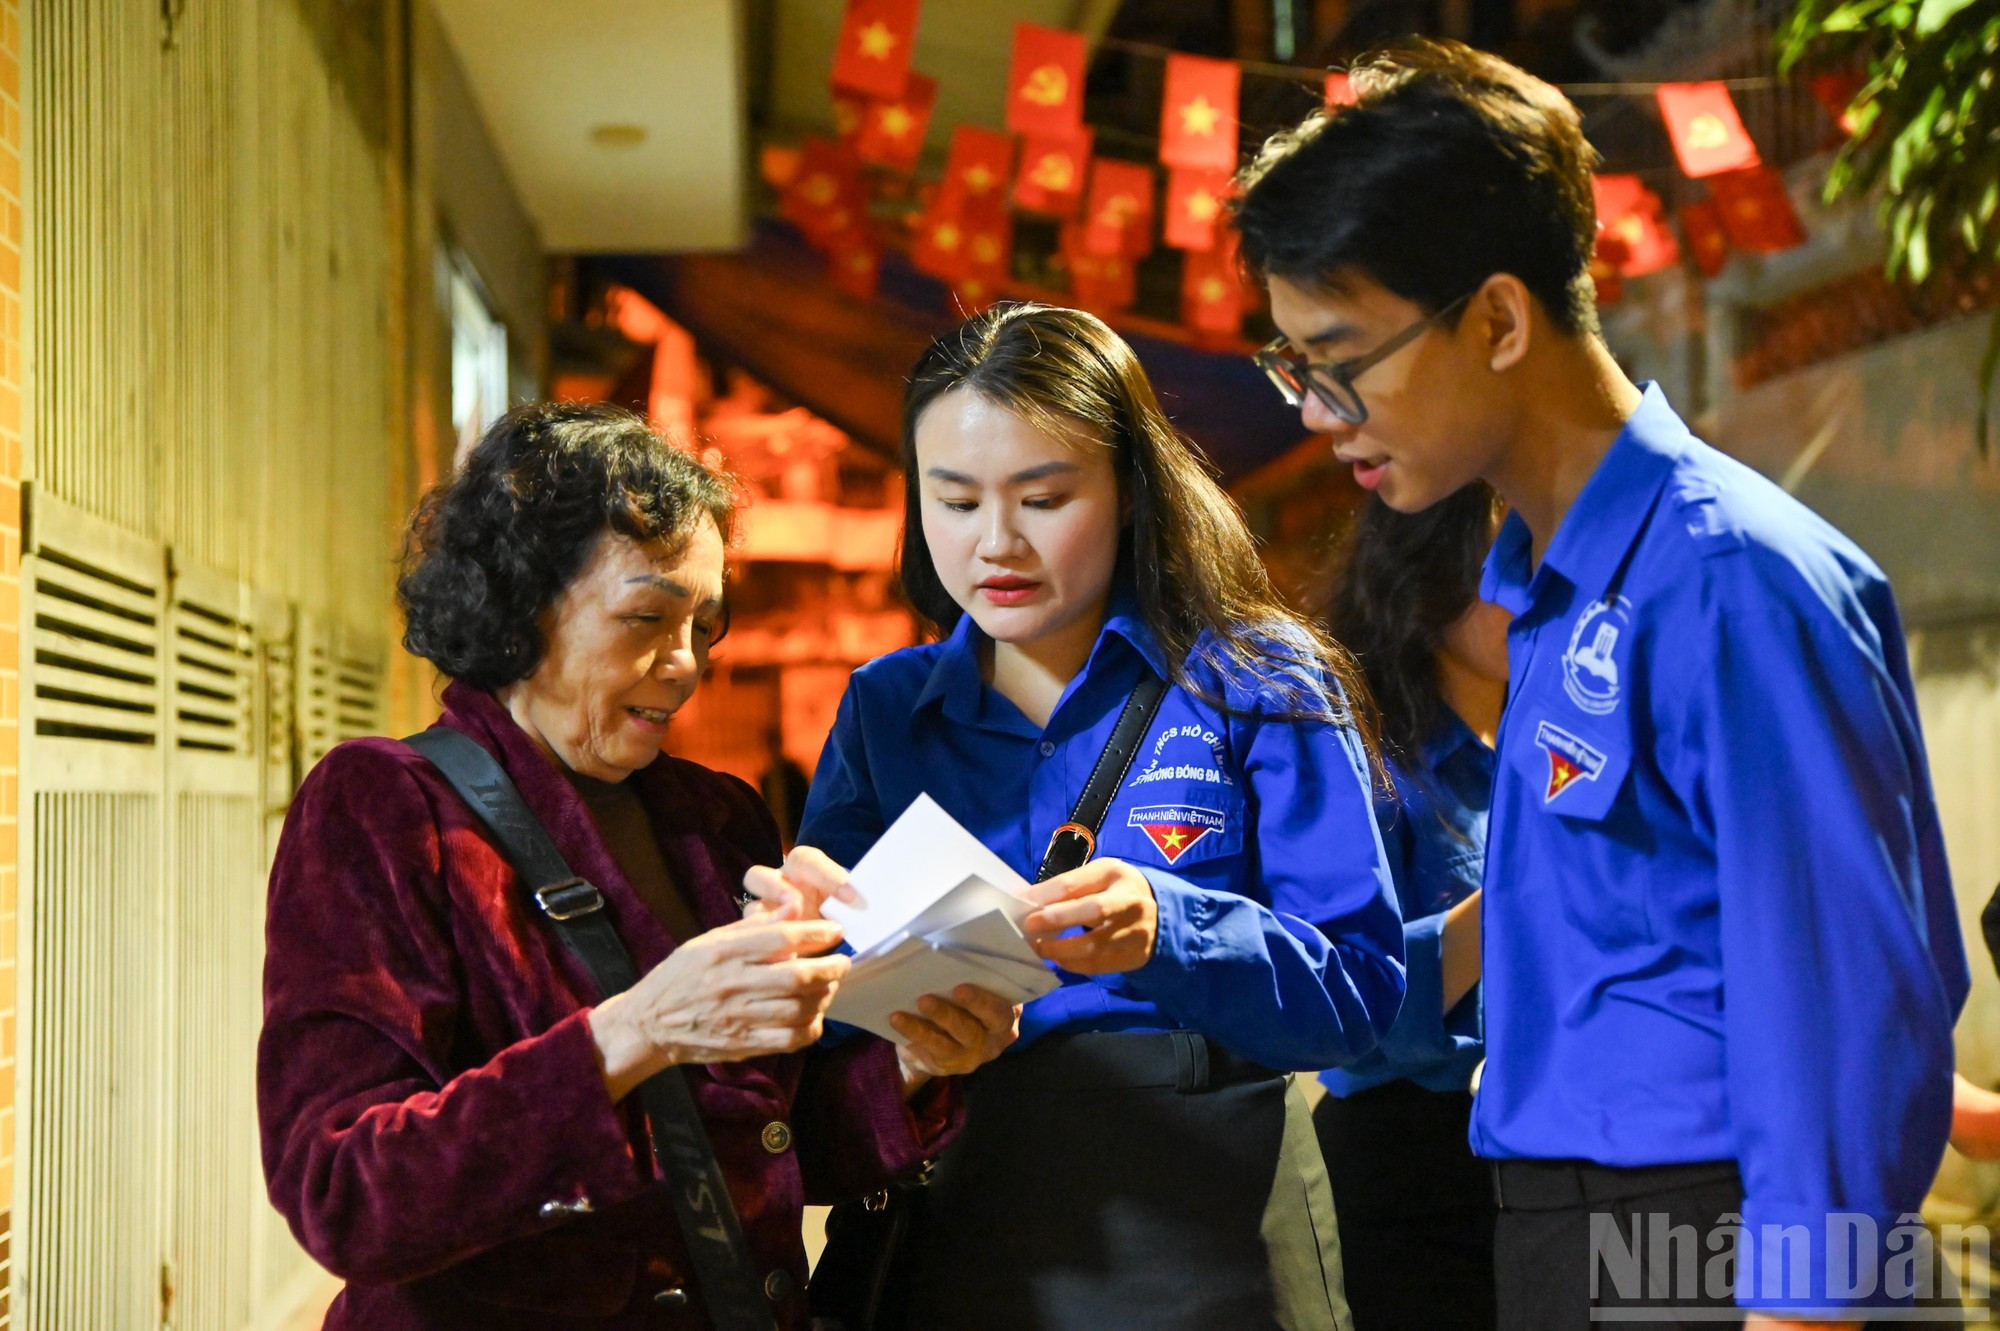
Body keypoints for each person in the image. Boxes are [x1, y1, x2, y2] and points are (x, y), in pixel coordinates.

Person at [1233, 40, 1969, 1330]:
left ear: (1499, 320)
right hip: (1572, 1234)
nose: (1315, 409)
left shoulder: (1726, 579)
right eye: (1291, 363)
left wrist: (1804, 1306)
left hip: (1706, 1244)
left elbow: (1839, 989)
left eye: (1340, 358)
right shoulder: (1546, 586)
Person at [256, 402, 1016, 1330]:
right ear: (521, 605)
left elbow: (756, 1150)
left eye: (706, 622)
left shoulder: (715, 819)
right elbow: (343, 1188)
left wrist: (909, 1059)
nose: (687, 663)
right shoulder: (386, 806)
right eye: (647, 617)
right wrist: (638, 1028)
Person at [776, 302, 1405, 1331]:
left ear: (1129, 490)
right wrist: (823, 972)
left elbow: (1360, 992)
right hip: (957, 1219)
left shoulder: (1255, 679)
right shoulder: (886, 708)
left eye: (1044, 496)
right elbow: (827, 1036)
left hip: (1206, 1220)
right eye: (955, 500)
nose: (995, 542)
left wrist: (1170, 928)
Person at [1312, 483, 1507, 1331]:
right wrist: (1521, 888)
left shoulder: (1550, 746)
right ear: (1433, 582)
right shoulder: (1367, 760)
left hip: (1540, 1139)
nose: (1541, 589)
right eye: (1511, 561)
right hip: (1409, 1154)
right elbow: (1355, 1011)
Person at [758, 726, 812, 847]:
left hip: (796, 833)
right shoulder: (766, 777)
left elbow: (804, 800)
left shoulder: (793, 772)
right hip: (780, 836)